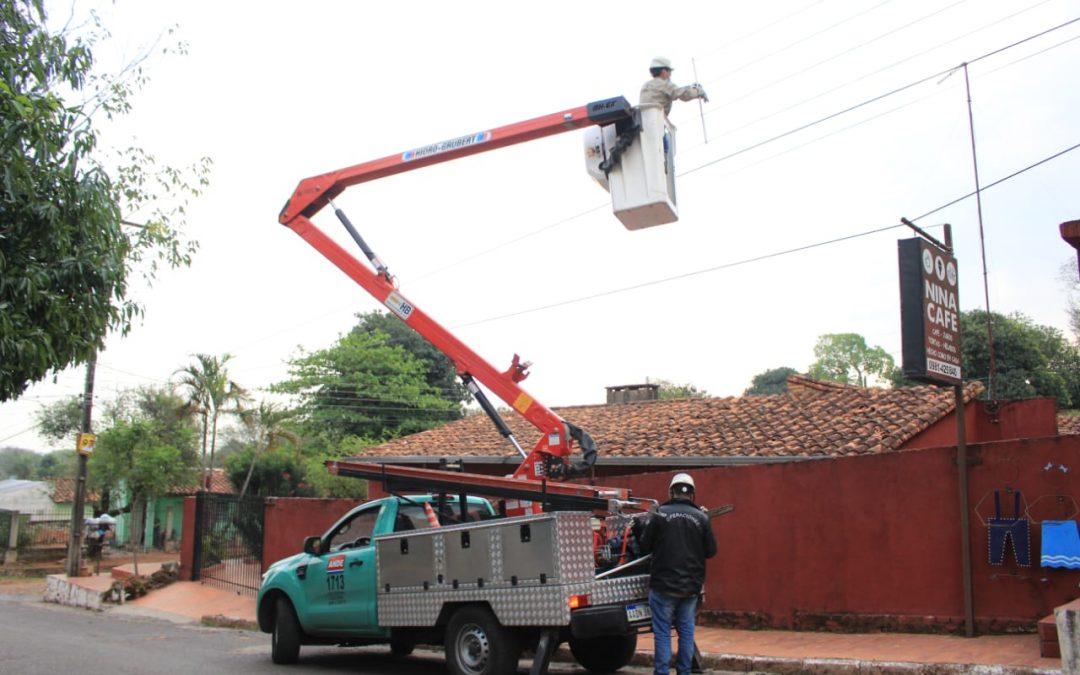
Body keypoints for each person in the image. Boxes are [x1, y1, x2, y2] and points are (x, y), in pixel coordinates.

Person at [637, 472, 717, 675]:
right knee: (686, 631)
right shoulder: (701, 517)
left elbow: (644, 546)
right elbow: (711, 551)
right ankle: (684, 671)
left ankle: (662, 672)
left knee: (663, 633)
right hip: (690, 587)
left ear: (671, 491)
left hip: (663, 586)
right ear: (692, 494)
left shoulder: (660, 514)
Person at [639, 57, 709, 117]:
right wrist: (698, 91)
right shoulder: (665, 84)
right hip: (657, 124)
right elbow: (684, 94)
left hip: (643, 125)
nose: (670, 74)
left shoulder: (645, 86)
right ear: (663, 71)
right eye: (669, 71)